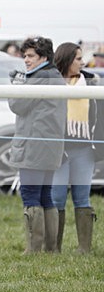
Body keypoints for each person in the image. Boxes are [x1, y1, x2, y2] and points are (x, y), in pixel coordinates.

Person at [8, 36, 66, 254]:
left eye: (30, 56)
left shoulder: (39, 77)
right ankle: (50, 248)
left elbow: (17, 105)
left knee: (30, 194)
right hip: (50, 146)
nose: (26, 60)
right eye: (24, 55)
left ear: (43, 57)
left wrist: (15, 85)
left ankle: (33, 249)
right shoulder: (55, 76)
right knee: (45, 195)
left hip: (34, 145)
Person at [51, 42, 96, 253]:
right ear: (67, 59)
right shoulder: (51, 84)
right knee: (57, 196)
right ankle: (54, 247)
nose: (83, 62)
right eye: (78, 58)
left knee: (82, 197)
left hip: (85, 149)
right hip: (59, 149)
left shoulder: (92, 83)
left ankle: (84, 248)